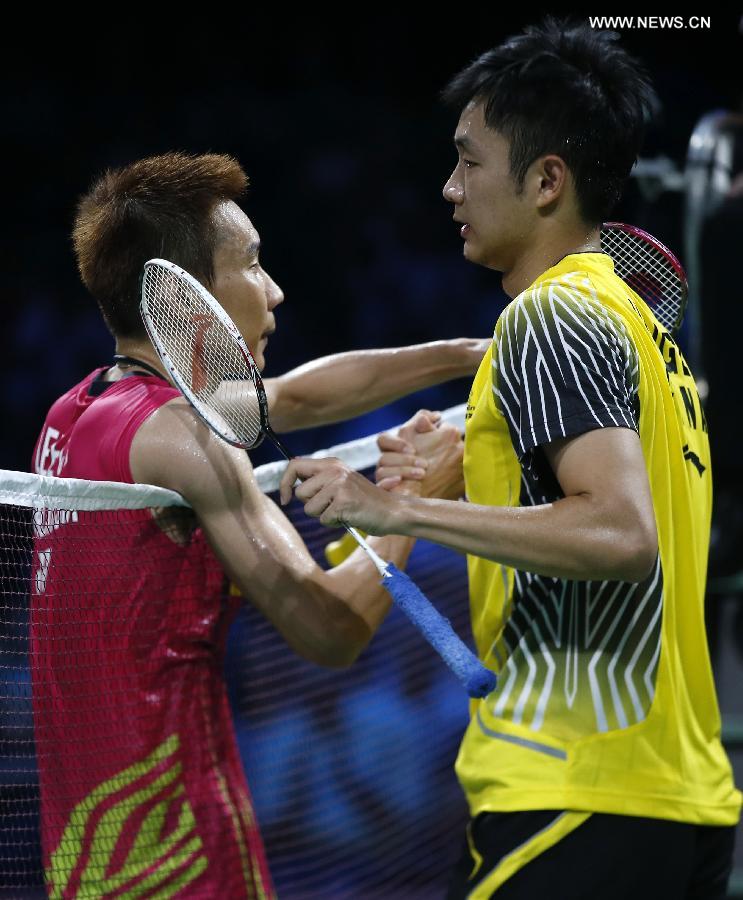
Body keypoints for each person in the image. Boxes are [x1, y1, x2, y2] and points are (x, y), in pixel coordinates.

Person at [281, 19, 741, 899]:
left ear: (544, 181)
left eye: (469, 162)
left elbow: (619, 532)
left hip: (573, 793)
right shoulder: (647, 338)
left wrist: (393, 508)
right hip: (680, 804)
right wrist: (460, 468)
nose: (450, 187)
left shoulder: (546, 315)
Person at [30, 151, 473, 899]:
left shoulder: (77, 413)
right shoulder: (187, 440)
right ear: (186, 295)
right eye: (253, 263)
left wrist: (471, 354)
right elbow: (328, 629)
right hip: (179, 852)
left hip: (86, 854)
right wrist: (410, 497)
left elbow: (294, 398)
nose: (274, 291)